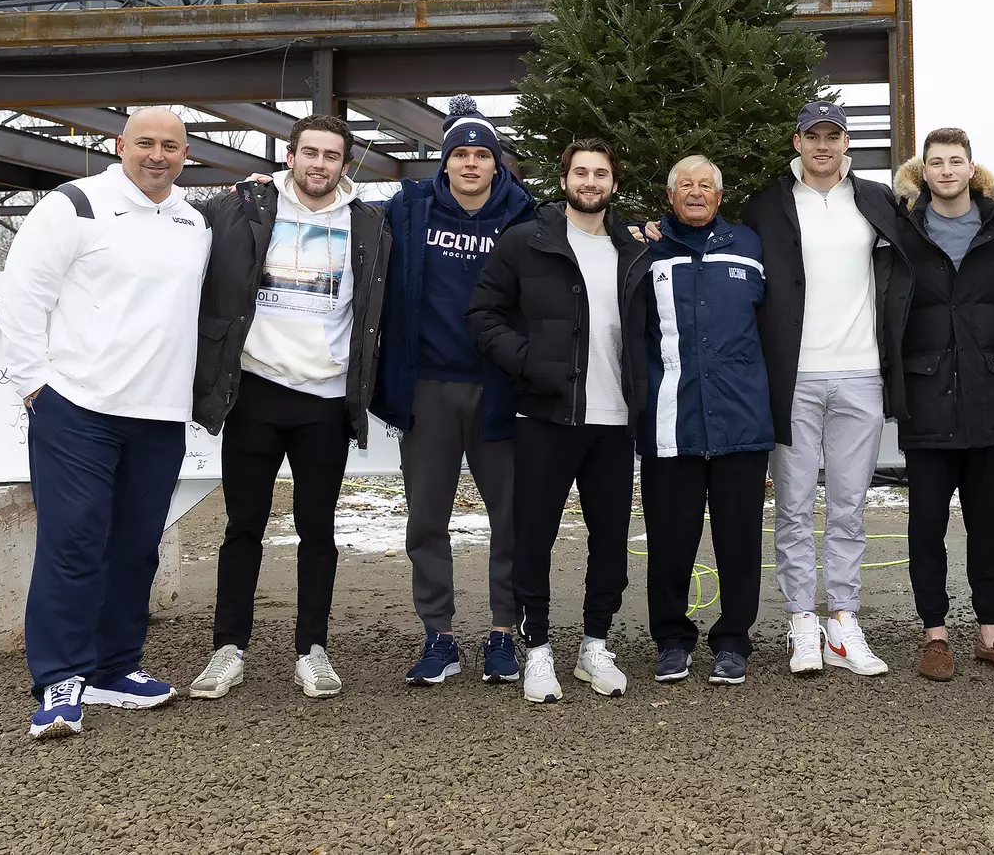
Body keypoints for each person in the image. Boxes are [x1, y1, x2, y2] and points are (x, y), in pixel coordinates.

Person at [0, 107, 212, 739]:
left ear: (185, 155)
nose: (157, 155)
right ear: (118, 145)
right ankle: (61, 677)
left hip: (159, 413)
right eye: (144, 142)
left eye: (170, 146)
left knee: (135, 546)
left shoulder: (192, 220)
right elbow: (23, 296)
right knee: (74, 543)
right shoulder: (75, 205)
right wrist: (35, 386)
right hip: (78, 408)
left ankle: (116, 667)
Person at [185, 114, 390, 701]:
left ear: (344, 164)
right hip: (254, 390)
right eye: (310, 153)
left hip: (325, 399)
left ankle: (312, 649)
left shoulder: (368, 223)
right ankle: (228, 648)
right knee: (242, 525)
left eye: (331, 155)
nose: (319, 164)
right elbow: (176, 226)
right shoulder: (243, 205)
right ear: (291, 156)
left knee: (317, 530)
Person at [467, 138, 650, 702]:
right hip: (545, 414)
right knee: (535, 537)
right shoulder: (528, 241)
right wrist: (527, 363)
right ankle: (539, 650)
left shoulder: (635, 248)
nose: (590, 182)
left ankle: (595, 645)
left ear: (613, 183)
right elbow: (483, 312)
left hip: (614, 421)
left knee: (611, 539)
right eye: (580, 172)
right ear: (565, 179)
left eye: (600, 173)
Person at [372, 96, 537, 687]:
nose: (470, 164)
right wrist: (265, 187)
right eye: (460, 155)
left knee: (510, 519)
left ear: (498, 163)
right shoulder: (409, 211)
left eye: (481, 155)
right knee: (427, 518)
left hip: (500, 391)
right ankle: (438, 634)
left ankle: (502, 632)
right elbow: (342, 211)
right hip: (428, 388)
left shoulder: (526, 218)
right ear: (444, 163)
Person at [743, 101, 911, 677]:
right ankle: (800, 623)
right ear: (797, 143)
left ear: (847, 145)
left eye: (833, 137)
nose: (822, 146)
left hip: (861, 374)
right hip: (793, 377)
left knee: (848, 507)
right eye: (812, 136)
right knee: (791, 507)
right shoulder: (767, 205)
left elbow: (920, 255)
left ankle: (843, 620)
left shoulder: (877, 201)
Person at [890, 128, 994, 682]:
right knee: (926, 524)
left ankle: (991, 635)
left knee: (987, 524)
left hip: (988, 396)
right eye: (936, 163)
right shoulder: (903, 230)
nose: (947, 171)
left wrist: (984, 336)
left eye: (956, 161)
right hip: (926, 398)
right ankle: (935, 636)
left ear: (972, 169)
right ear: (922, 172)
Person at [639, 156, 772, 687]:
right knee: (670, 539)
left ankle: (734, 641)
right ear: (670, 197)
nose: (696, 193)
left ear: (720, 196)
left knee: (740, 540)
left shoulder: (750, 245)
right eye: (685, 186)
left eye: (706, 186)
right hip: (670, 419)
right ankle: (672, 639)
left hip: (741, 420)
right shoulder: (643, 249)